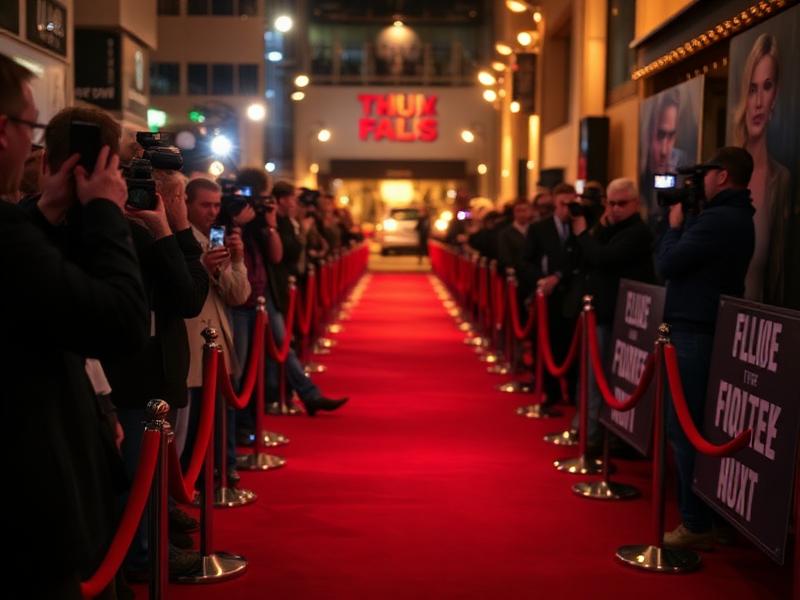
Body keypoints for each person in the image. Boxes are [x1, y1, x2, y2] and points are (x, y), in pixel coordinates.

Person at [1, 53, 147, 597]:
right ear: (3, 131)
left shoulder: (17, 226)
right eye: (29, 127)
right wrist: (108, 212)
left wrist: (46, 210)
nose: (33, 147)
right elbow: (122, 324)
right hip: (27, 510)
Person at [656, 147, 755, 549]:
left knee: (686, 429)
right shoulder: (732, 216)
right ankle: (702, 516)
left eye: (706, 173)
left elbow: (666, 264)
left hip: (695, 330)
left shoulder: (717, 220)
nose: (699, 182)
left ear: (723, 175)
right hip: (701, 326)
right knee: (694, 427)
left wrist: (675, 227)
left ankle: (695, 522)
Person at [569, 178, 655, 449]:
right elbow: (584, 258)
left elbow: (603, 258)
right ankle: (587, 427)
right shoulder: (612, 227)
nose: (615, 209)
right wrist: (598, 228)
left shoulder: (638, 232)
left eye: (622, 204)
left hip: (618, 317)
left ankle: (594, 434)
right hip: (601, 313)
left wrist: (583, 233)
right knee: (591, 376)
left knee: (602, 380)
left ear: (636, 203)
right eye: (611, 203)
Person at [182, 176, 251, 485]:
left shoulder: (215, 239)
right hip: (192, 345)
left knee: (217, 417)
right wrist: (201, 266)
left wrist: (236, 260)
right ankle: (195, 480)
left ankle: (222, 468)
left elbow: (239, 295)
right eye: (205, 205)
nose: (213, 212)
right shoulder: (180, 240)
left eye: (217, 205)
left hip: (218, 342)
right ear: (186, 203)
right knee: (191, 428)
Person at [271, 180, 348, 416]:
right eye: (294, 199)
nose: (297, 204)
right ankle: (306, 394)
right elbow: (285, 254)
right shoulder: (280, 223)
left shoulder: (291, 222)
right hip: (276, 290)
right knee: (283, 345)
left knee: (285, 344)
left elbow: (322, 244)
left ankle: (295, 394)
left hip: (288, 287)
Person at [733, 33, 792, 305]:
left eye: (766, 87)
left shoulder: (781, 180)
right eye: (752, 88)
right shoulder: (725, 173)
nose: (758, 103)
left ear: (775, 94)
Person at [524, 183, 579, 410]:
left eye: (571, 204)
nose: (567, 209)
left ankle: (575, 394)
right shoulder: (539, 228)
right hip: (547, 297)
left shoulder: (581, 227)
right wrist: (541, 281)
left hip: (573, 297)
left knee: (573, 349)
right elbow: (526, 260)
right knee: (548, 344)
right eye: (562, 204)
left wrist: (559, 276)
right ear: (555, 203)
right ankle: (551, 392)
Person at [640, 89, 689, 226]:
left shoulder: (682, 165)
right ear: (646, 133)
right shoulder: (642, 179)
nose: (664, 150)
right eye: (660, 135)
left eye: (671, 136)